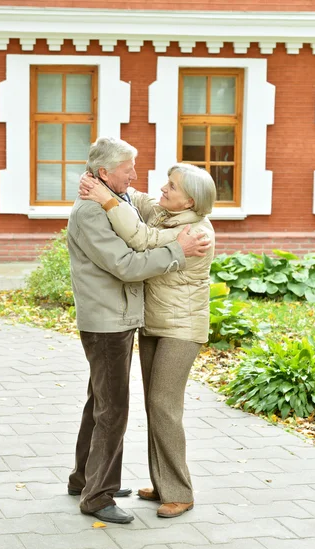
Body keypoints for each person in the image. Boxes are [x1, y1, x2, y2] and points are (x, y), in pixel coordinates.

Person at [67, 137, 211, 524]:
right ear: (103, 174)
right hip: (110, 321)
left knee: (104, 403)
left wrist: (113, 196)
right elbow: (128, 265)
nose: (135, 176)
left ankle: (87, 480)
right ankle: (97, 495)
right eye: (127, 169)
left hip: (152, 323)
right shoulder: (94, 212)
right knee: (112, 408)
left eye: (134, 167)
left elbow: (141, 231)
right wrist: (176, 250)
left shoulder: (128, 202)